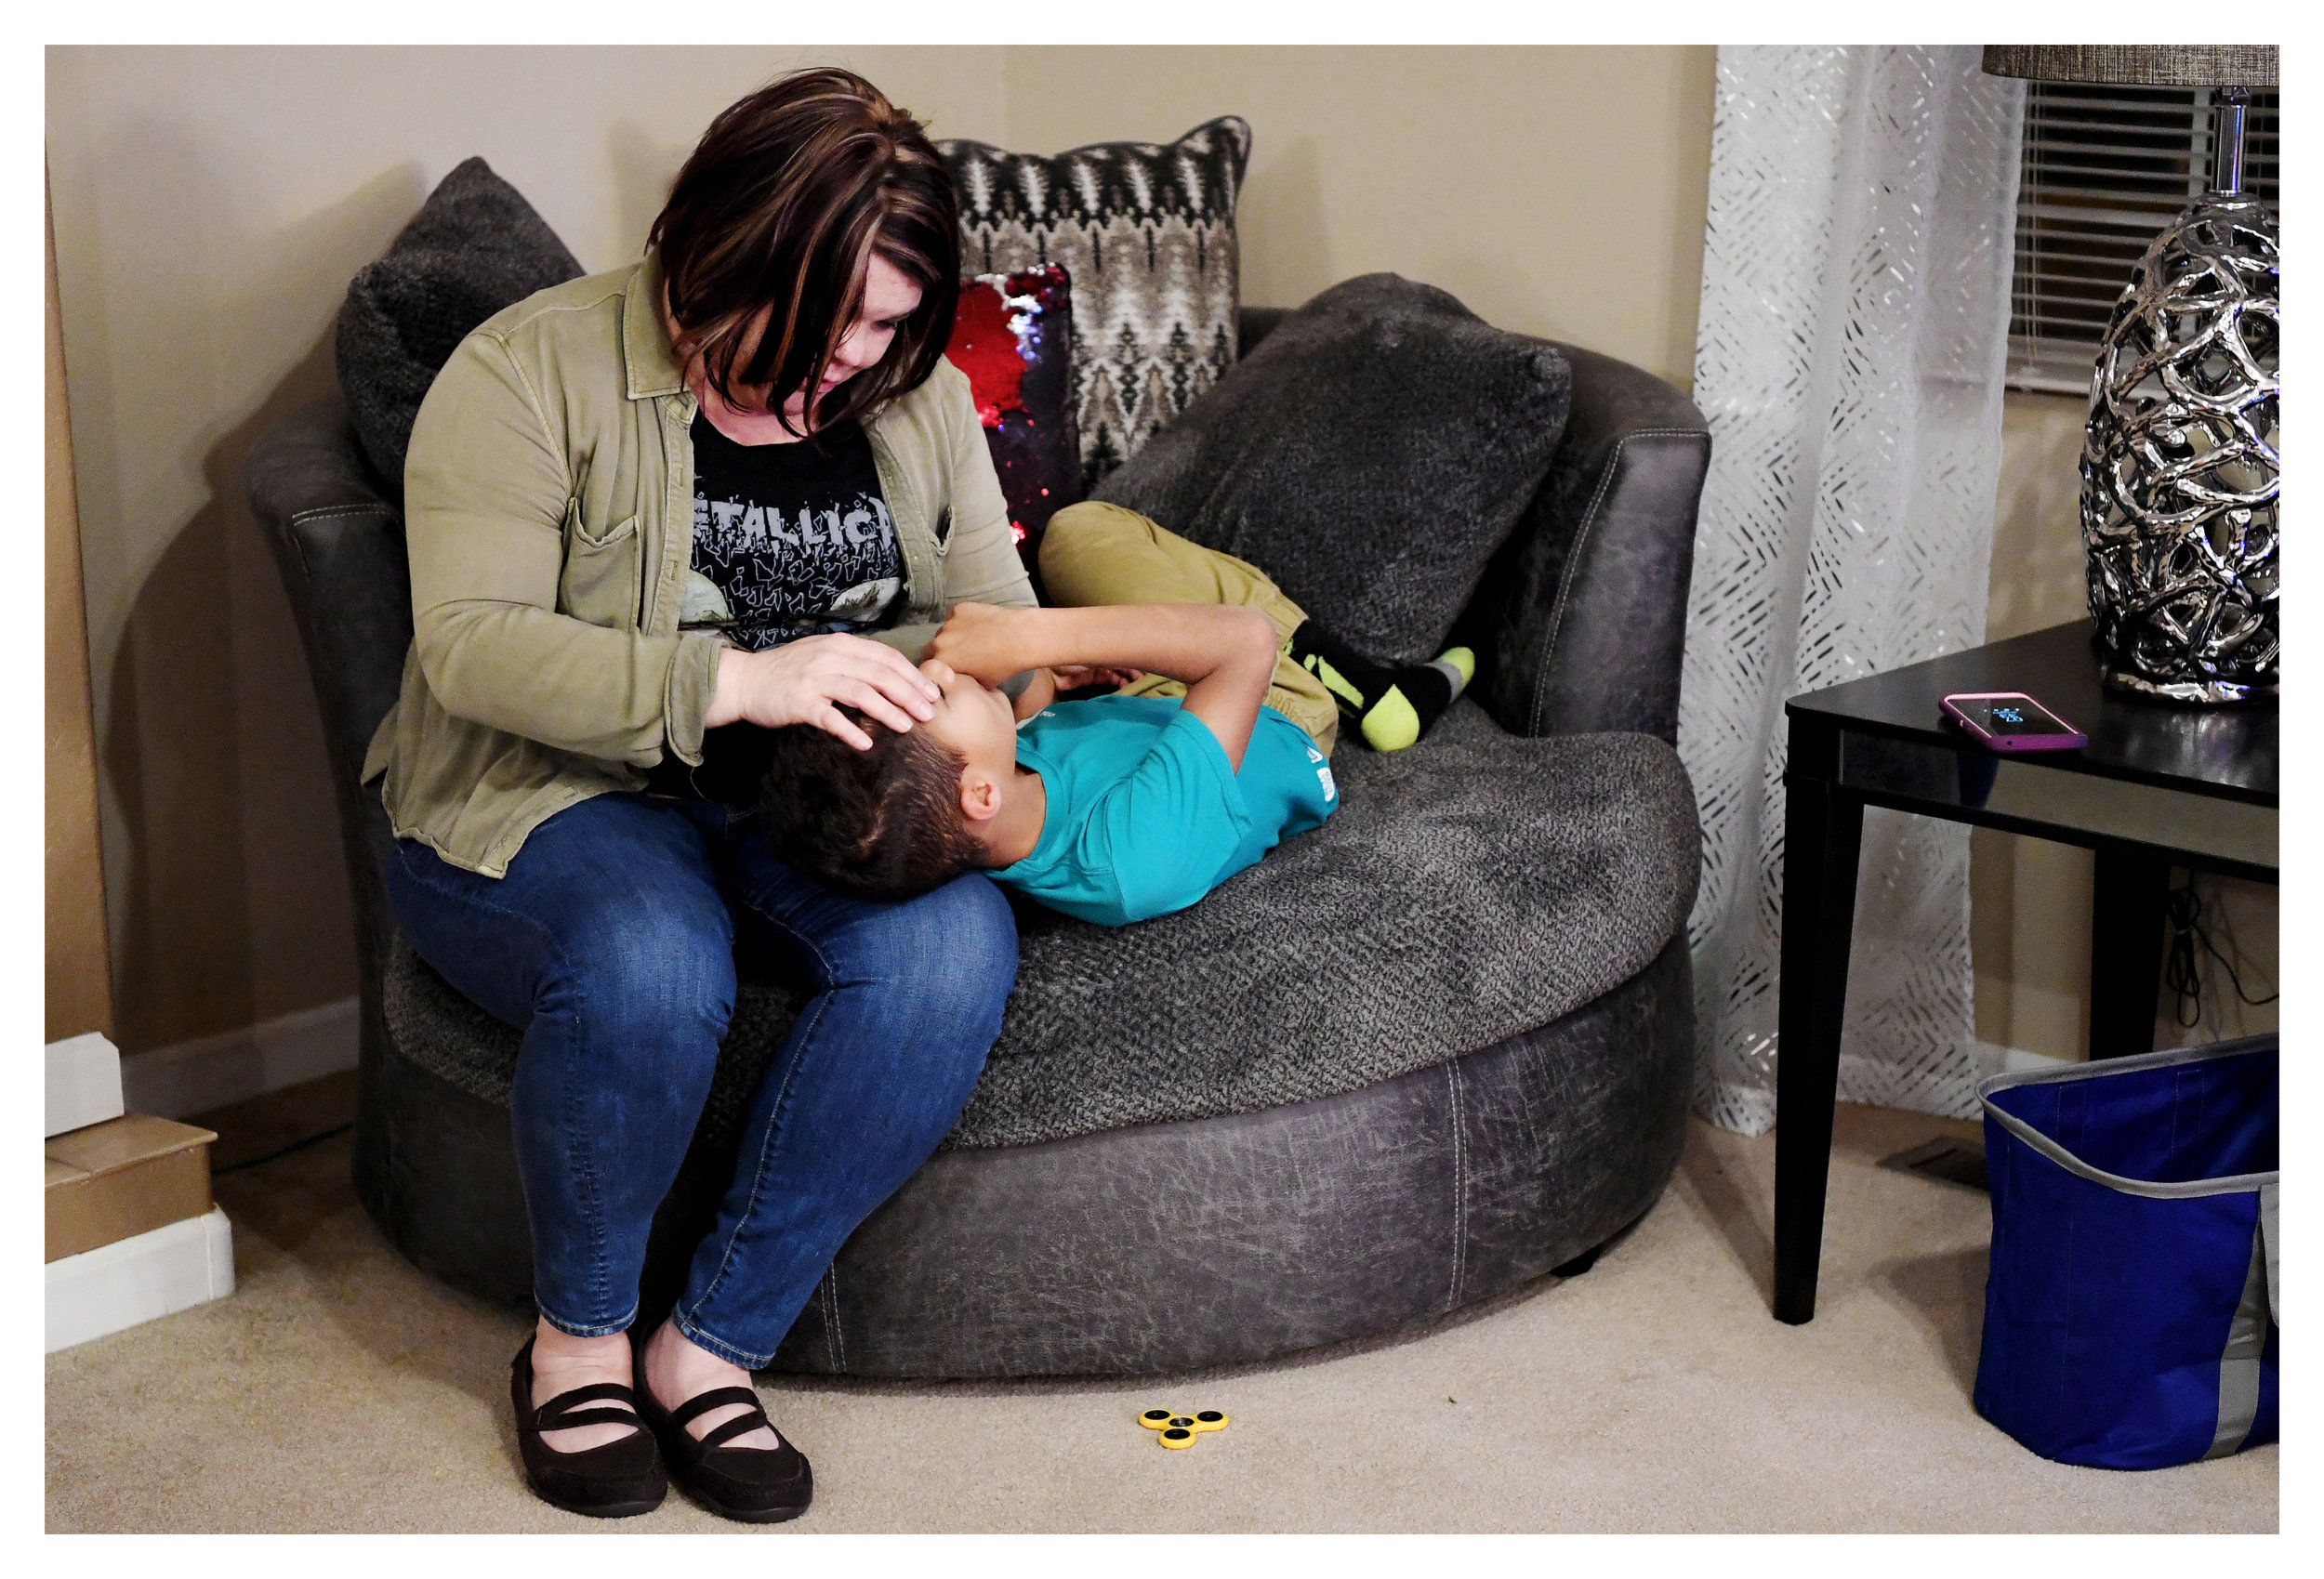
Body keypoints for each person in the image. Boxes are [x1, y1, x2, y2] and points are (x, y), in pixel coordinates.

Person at [366, 69, 1038, 1523]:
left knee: (952, 949)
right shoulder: (526, 371)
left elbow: (1000, 609)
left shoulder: (906, 399)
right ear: (713, 256)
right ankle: (578, 1340)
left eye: (888, 326)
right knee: (645, 959)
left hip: (808, 811)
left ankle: (709, 1343)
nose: (855, 362)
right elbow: (470, 645)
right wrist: (741, 680)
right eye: (833, 321)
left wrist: (979, 699)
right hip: (549, 794)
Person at [756, 501, 1474, 926]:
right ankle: (1365, 687)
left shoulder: (990, 806)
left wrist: (1053, 674)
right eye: (934, 692)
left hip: (1151, 713)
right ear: (978, 793)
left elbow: (1031, 723)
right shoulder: (1132, 857)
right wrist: (1033, 634)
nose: (937, 668)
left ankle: (1356, 678)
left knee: (1075, 531)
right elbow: (1241, 645)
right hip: (1267, 714)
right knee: (1239, 611)